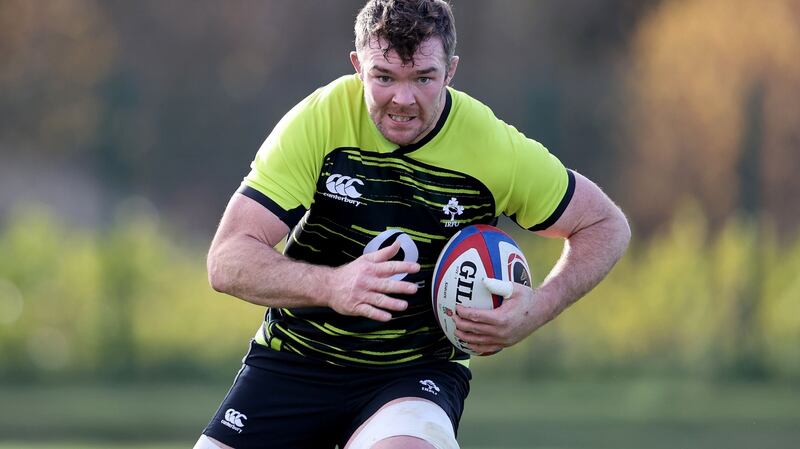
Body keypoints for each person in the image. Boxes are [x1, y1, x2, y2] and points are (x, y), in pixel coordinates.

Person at [194, 1, 630, 448]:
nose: (403, 99)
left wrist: (535, 310)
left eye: (423, 78)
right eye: (384, 77)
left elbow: (604, 225)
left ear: (451, 71)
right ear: (358, 67)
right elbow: (227, 259)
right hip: (295, 360)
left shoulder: (492, 148)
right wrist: (333, 286)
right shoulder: (319, 121)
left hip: (413, 374)